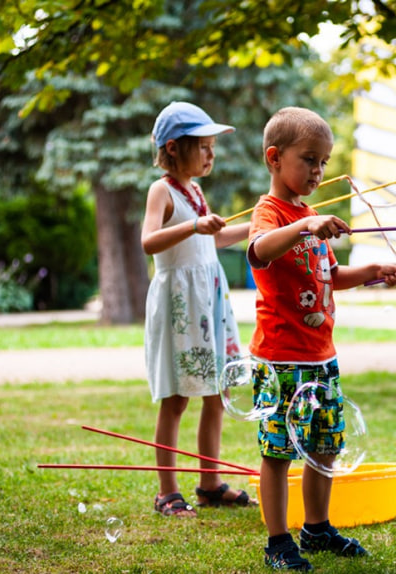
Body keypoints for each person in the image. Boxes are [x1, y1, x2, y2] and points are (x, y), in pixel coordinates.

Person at [247, 107, 396, 571]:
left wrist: (374, 271)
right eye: (309, 159)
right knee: (277, 452)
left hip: (321, 356)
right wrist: (303, 226)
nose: (318, 171)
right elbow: (258, 250)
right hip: (280, 358)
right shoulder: (272, 211)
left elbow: (331, 276)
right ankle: (278, 542)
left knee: (324, 445)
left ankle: (316, 529)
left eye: (323, 162)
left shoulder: (309, 215)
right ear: (275, 159)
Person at [142, 101, 254, 517]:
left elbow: (213, 240)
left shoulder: (196, 191)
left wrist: (263, 224)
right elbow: (148, 241)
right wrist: (192, 225)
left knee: (216, 393)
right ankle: (166, 492)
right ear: (174, 148)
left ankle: (210, 483)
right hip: (181, 306)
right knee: (176, 400)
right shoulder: (163, 190)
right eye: (203, 146)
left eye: (212, 147)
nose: (211, 154)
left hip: (209, 299)